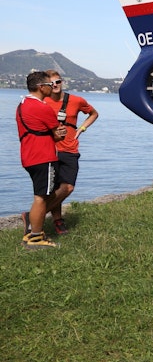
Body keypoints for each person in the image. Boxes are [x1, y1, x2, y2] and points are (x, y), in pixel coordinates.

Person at [43, 70, 99, 235]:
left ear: (62, 82)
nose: (55, 85)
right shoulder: (43, 102)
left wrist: (81, 128)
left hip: (70, 149)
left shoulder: (76, 100)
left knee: (67, 187)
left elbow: (94, 114)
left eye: (58, 82)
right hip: (49, 150)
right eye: (51, 83)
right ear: (46, 85)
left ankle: (34, 217)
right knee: (53, 189)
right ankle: (58, 221)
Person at [16, 72, 67, 249]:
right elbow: (58, 134)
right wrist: (60, 133)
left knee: (44, 194)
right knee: (41, 198)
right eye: (49, 84)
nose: (52, 87)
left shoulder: (22, 104)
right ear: (40, 87)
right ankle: (35, 238)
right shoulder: (42, 108)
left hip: (28, 156)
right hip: (43, 157)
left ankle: (35, 232)